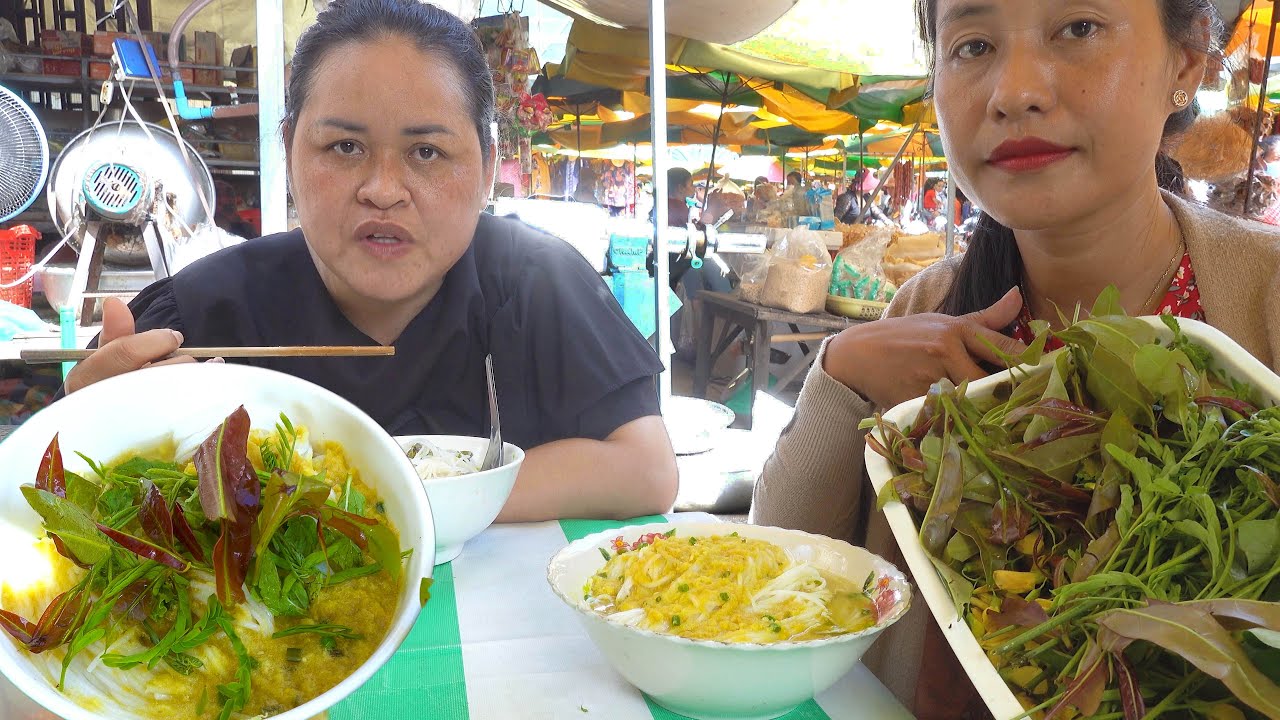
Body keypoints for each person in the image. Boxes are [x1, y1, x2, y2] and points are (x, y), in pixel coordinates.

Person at [752, 0, 1280, 717]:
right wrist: (838, 378)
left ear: (1184, 65)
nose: (1014, 91)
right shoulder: (923, 312)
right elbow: (775, 589)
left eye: (1079, 28)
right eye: (972, 46)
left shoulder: (1263, 299)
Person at [63, 0, 678, 524]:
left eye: (427, 151)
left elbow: (646, 471)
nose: (383, 190)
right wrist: (86, 437)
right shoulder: (203, 311)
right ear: (290, 150)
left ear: (488, 168)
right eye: (345, 146)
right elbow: (84, 503)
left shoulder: (536, 282)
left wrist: (384, 504)